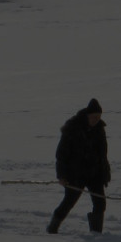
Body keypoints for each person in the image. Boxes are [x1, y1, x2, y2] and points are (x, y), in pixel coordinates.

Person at [47, 98, 110, 234]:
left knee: (100, 203)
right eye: (94, 117)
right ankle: (52, 228)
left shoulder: (100, 129)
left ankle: (96, 233)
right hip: (75, 174)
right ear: (87, 115)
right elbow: (61, 155)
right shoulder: (72, 128)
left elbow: (103, 155)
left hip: (94, 174)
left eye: (99, 117)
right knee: (69, 203)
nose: (96, 120)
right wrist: (62, 176)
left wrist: (105, 173)